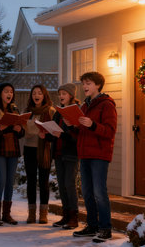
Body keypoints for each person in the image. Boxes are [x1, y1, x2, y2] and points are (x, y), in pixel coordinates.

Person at [71, 72, 117, 243]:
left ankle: (105, 228)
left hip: (99, 154)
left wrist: (93, 125)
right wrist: (72, 127)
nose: (84, 87)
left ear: (98, 85)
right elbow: (81, 133)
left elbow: (110, 131)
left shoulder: (107, 105)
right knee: (87, 192)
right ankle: (92, 225)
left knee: (99, 192)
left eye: (88, 83)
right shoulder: (84, 106)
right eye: (83, 84)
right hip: (85, 154)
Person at [0, 83, 25, 226]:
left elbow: (22, 133)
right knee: (1, 180)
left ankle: (6, 214)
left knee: (10, 182)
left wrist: (18, 129)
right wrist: (2, 127)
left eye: (11, 91)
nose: (9, 94)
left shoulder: (14, 109)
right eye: (6, 91)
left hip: (13, 150)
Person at [45, 83, 80, 229]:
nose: (61, 96)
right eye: (60, 94)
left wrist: (63, 135)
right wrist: (46, 134)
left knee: (69, 185)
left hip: (71, 154)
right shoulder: (58, 112)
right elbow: (55, 133)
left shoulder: (76, 111)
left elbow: (77, 136)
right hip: (58, 154)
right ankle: (65, 216)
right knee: (62, 186)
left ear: (71, 95)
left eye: (64, 94)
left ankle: (74, 217)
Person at [23, 84, 55, 224]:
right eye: (34, 93)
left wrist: (42, 133)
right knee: (30, 181)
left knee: (43, 182)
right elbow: (24, 132)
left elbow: (54, 131)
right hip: (29, 148)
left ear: (44, 95)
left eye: (39, 93)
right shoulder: (27, 112)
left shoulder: (51, 111)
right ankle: (31, 214)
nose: (36, 95)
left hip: (44, 150)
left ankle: (43, 214)